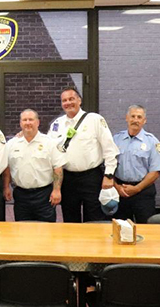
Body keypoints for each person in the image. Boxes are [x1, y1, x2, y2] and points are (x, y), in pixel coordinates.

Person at [48, 87, 119, 222]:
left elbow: (110, 149)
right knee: (70, 219)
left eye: (71, 99)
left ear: (79, 100)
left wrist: (109, 175)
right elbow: (49, 148)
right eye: (64, 100)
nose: (68, 103)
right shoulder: (57, 124)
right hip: (68, 179)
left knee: (94, 219)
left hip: (91, 178)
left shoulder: (94, 120)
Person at [3, 109, 65, 222]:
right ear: (20, 123)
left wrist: (57, 190)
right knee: (22, 231)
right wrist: (6, 187)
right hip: (21, 195)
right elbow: (7, 168)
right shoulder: (11, 144)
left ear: (38, 122)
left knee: (47, 231)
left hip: (44, 195)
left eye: (31, 119)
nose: (28, 123)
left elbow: (57, 168)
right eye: (24, 120)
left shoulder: (49, 143)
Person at [112, 105, 160, 223]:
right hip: (120, 191)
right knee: (120, 228)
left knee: (146, 228)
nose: (135, 120)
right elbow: (108, 166)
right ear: (127, 118)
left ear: (144, 121)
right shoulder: (116, 139)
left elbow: (156, 172)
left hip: (143, 192)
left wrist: (137, 188)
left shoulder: (152, 142)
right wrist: (117, 187)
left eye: (139, 117)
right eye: (132, 116)